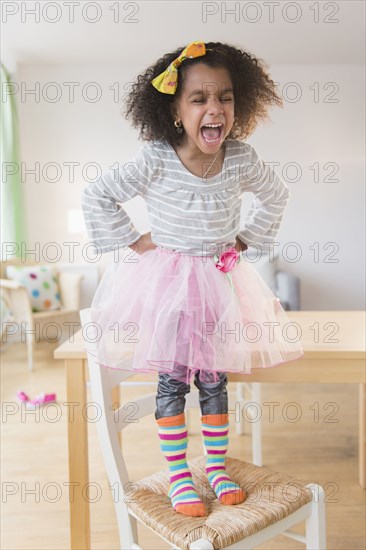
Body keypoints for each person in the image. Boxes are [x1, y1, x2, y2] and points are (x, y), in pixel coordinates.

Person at [81, 40, 304, 517]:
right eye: (199, 98)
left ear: (237, 105)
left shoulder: (240, 158)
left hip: (219, 286)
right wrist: (135, 240)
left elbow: (276, 195)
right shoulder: (155, 159)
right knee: (172, 381)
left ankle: (216, 467)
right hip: (167, 287)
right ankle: (180, 473)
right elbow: (98, 195)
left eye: (224, 97)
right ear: (176, 111)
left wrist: (245, 241)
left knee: (215, 379)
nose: (214, 108)